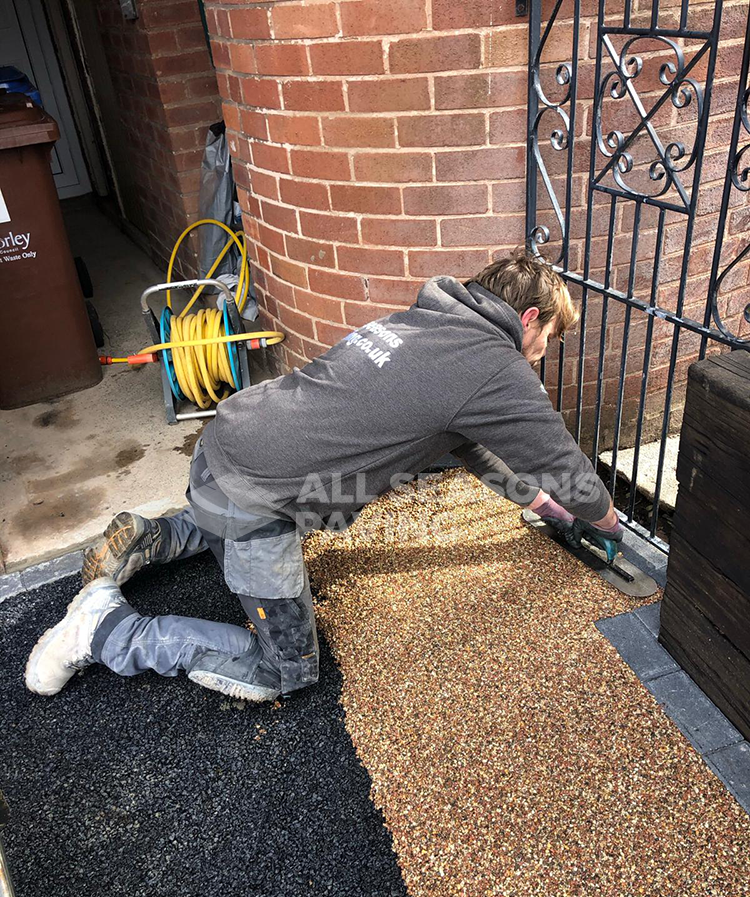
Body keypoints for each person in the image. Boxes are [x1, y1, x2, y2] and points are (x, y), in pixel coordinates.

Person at [25, 249, 622, 703]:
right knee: (285, 670)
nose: (546, 349)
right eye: (551, 337)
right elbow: (563, 461)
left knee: (235, 513)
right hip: (258, 499)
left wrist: (548, 508)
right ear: (529, 318)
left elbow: (475, 451)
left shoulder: (428, 323)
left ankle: (154, 537)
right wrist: (605, 520)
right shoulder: (495, 366)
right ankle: (101, 630)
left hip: (224, 441)